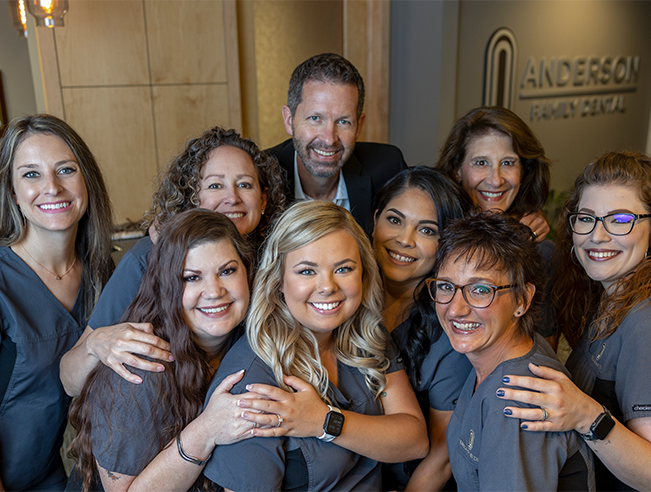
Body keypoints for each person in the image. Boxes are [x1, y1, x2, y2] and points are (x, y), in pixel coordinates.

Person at [203, 201, 428, 491]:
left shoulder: (365, 335)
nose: (327, 287)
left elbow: (415, 440)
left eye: (344, 268)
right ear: (278, 280)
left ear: (363, 274)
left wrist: (326, 422)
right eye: (307, 271)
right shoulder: (252, 382)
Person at [59, 126, 285, 396]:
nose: (232, 197)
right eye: (215, 185)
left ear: (263, 198)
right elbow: (70, 381)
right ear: (191, 196)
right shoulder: (147, 258)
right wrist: (95, 344)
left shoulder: (275, 261)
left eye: (245, 184)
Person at [67, 209, 259, 491]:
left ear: (247, 272)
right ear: (167, 287)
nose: (215, 291)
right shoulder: (140, 369)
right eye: (191, 277)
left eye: (227, 271)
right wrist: (206, 430)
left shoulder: (248, 342)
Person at [498, 152, 651, 491]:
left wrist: (586, 415)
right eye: (586, 218)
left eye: (621, 219)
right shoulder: (608, 298)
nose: (597, 236)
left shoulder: (644, 322)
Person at [429, 212, 594, 491]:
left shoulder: (514, 401)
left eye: (481, 289)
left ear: (523, 299)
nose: (455, 309)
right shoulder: (500, 352)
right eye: (446, 286)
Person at [0, 114, 114, 491]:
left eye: (65, 169)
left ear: (86, 180)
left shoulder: (104, 272)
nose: (52, 187)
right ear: (13, 192)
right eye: (31, 174)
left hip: (88, 479)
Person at [371, 167, 473, 490]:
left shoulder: (450, 327)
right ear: (374, 220)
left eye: (427, 230)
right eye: (395, 220)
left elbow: (442, 456)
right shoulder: (339, 297)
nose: (404, 239)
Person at [436, 106, 557, 342]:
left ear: (524, 170)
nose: (495, 179)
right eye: (481, 162)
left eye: (508, 163)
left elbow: (544, 345)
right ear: (456, 169)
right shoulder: (432, 233)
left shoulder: (540, 252)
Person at [267, 52, 407, 233]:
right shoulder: (261, 173)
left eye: (343, 122)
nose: (329, 139)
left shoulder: (388, 168)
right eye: (315, 118)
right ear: (289, 120)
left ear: (358, 126)